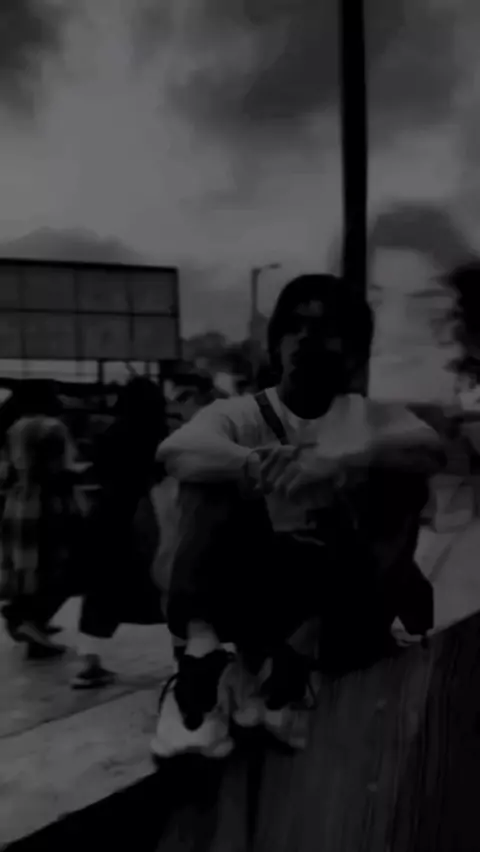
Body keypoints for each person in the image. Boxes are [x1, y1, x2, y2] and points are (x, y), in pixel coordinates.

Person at [151, 274, 444, 760]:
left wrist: (340, 462)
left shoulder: (373, 418)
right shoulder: (239, 414)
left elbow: (431, 449)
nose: (306, 337)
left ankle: (295, 667)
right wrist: (256, 466)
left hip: (345, 598)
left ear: (354, 349)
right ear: (276, 342)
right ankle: (201, 673)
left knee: (400, 475)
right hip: (258, 590)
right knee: (207, 471)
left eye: (326, 328)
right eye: (295, 325)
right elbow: (177, 450)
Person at [73, 376, 167, 689]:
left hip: (106, 515)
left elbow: (97, 471)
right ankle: (189, 657)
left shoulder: (108, 433)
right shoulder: (159, 435)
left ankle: (90, 663)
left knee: (101, 589)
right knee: (164, 584)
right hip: (145, 516)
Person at [0, 380, 83, 659]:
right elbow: (61, 471)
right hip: (49, 504)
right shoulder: (53, 427)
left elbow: (7, 471)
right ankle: (29, 621)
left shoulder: (14, 427)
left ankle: (27, 620)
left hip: (19, 504)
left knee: (28, 568)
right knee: (61, 567)